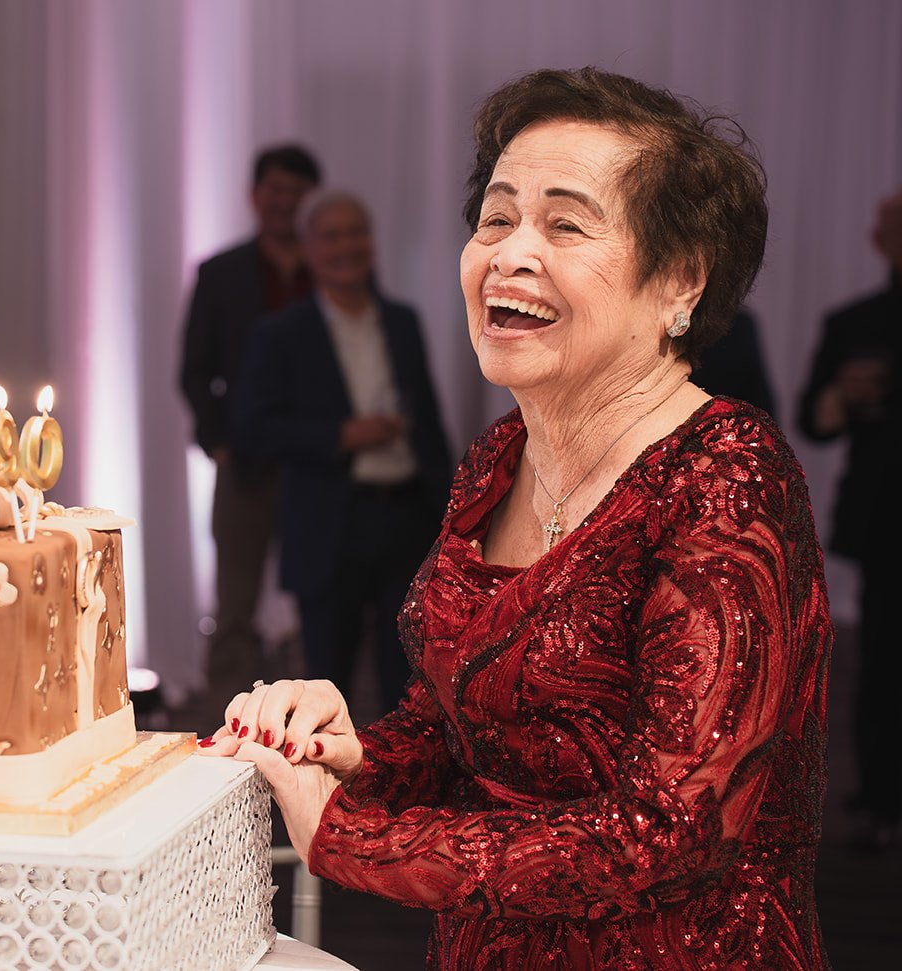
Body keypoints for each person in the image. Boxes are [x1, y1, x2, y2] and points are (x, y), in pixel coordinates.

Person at [203, 68, 831, 969]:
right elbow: (466, 721)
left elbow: (666, 829)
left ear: (680, 281)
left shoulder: (726, 478)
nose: (509, 252)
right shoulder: (502, 458)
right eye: (497, 217)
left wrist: (350, 838)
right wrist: (357, 757)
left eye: (565, 223)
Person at [233, 190, 451, 719]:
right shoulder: (280, 334)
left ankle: (398, 794)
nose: (347, 246)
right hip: (329, 519)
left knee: (410, 678)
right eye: (331, 236)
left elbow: (430, 425)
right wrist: (340, 436)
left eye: (357, 232)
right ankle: (323, 799)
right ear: (308, 248)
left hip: (405, 516)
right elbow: (253, 432)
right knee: (324, 677)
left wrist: (452, 516)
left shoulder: (402, 321)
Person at [179, 144, 322, 698]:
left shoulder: (325, 267)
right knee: (235, 602)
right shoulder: (221, 273)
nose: (285, 202)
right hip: (244, 461)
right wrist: (218, 443)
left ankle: (315, 717)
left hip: (316, 462)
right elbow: (194, 370)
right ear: (254, 195)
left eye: (296, 192)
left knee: (318, 596)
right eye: (275, 190)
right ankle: (225, 716)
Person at [797, 186, 902, 850]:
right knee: (887, 662)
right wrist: (843, 395)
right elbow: (814, 417)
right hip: (888, 516)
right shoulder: (855, 321)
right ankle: (881, 801)